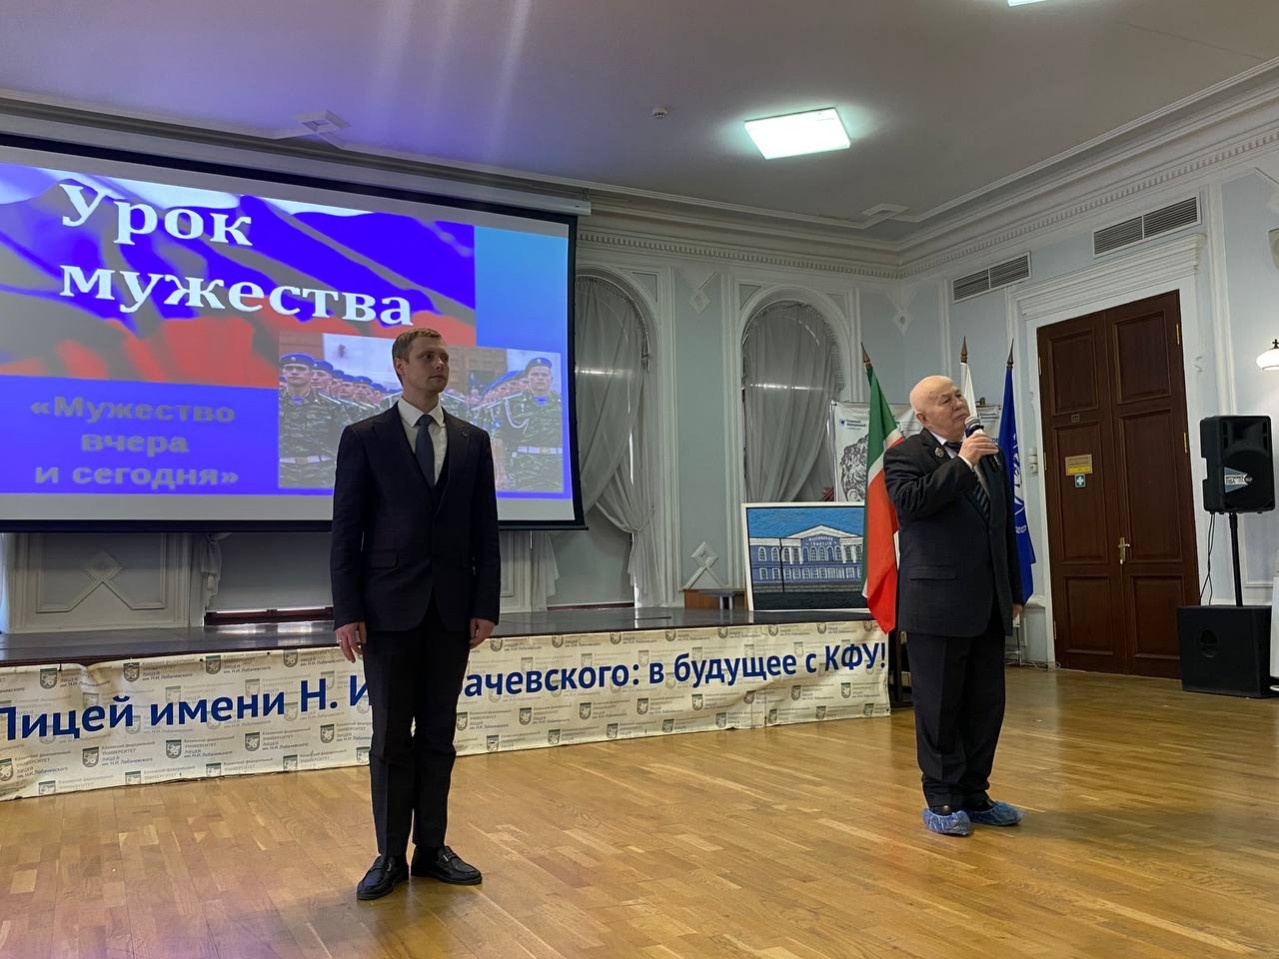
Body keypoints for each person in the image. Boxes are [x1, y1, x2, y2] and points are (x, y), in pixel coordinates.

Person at [330, 328, 501, 900]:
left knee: (438, 735)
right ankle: (388, 856)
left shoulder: (473, 440)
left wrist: (485, 604)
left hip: (451, 611)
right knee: (389, 738)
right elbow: (346, 532)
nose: (440, 365)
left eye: (445, 357)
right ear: (400, 366)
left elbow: (485, 531)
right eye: (428, 357)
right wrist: (348, 611)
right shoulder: (364, 437)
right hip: (386, 612)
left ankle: (431, 849)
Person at [884, 375, 1024, 838]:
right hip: (937, 604)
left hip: (987, 603)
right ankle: (942, 798)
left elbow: (1001, 527)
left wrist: (1014, 590)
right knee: (940, 705)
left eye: (958, 395)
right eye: (946, 401)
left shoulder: (989, 453)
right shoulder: (905, 456)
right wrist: (963, 462)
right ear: (924, 417)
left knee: (986, 706)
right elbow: (912, 504)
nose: (959, 404)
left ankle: (975, 794)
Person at [485, 357, 564, 492]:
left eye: (544, 375)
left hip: (557, 467)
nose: (540, 378)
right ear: (528, 378)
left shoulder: (563, 404)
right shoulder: (511, 404)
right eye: (535, 374)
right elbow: (499, 438)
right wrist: (501, 472)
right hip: (523, 467)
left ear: (551, 379)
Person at [278, 354, 347, 488]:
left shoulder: (331, 406)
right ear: (283, 372)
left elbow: (345, 439)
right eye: (289, 368)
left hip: (321, 472)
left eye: (300, 368)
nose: (294, 372)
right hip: (281, 471)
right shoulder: (269, 402)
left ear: (310, 373)